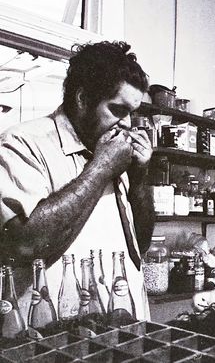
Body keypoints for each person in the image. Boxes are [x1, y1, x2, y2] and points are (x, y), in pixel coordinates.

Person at [0, 41, 155, 323]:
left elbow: (140, 246)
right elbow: (25, 244)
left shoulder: (112, 148)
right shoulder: (23, 143)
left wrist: (140, 178)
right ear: (83, 99)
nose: (128, 125)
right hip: (53, 336)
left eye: (133, 113)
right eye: (118, 110)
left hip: (120, 326)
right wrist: (102, 167)